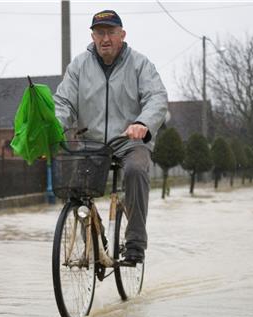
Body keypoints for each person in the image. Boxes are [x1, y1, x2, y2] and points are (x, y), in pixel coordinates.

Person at [53, 10, 168, 265]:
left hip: (130, 142)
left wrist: (142, 123)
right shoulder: (79, 66)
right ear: (93, 36)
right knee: (75, 189)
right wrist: (54, 127)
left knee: (136, 171)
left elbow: (156, 98)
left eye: (111, 32)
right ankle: (96, 241)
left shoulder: (140, 64)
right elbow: (63, 102)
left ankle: (135, 243)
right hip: (91, 144)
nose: (105, 38)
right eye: (100, 33)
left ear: (122, 35)